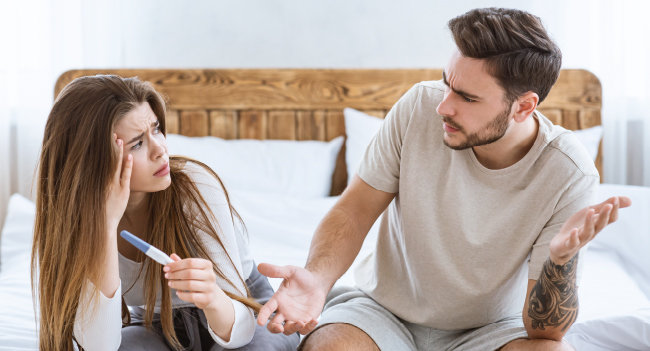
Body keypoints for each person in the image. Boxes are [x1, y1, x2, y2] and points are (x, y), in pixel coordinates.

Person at [255, 7, 631, 351]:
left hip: (489, 329)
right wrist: (318, 281)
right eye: (446, 83)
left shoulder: (568, 172)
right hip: (381, 312)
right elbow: (354, 211)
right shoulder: (418, 107)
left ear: (524, 106)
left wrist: (560, 260)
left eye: (467, 98)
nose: (443, 106)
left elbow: (544, 332)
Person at [31, 75, 300, 351]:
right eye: (137, 143)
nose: (160, 150)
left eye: (156, 129)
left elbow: (240, 331)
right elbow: (100, 347)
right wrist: (105, 223)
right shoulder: (76, 226)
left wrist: (211, 297)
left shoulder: (196, 187)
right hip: (159, 321)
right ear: (93, 161)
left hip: (243, 309)